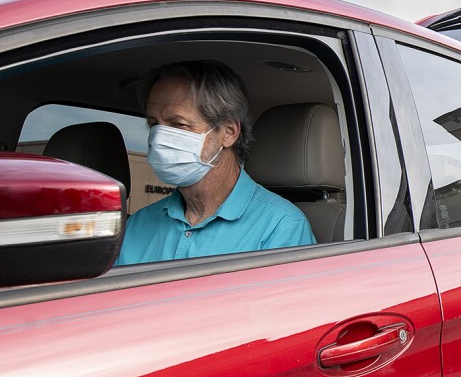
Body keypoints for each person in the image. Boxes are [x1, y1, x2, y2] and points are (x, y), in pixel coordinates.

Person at [116, 60, 315, 265]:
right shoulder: (138, 225)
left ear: (228, 132)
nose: (159, 139)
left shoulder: (280, 227)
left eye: (178, 124)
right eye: (154, 124)